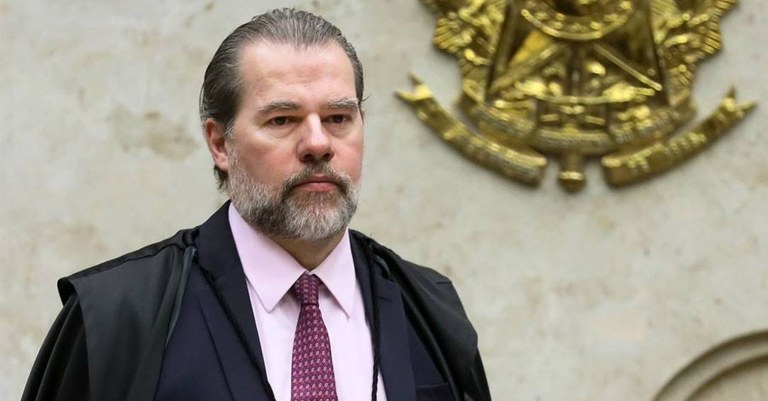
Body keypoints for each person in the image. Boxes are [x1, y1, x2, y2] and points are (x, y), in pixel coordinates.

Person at [22, 8, 491, 401]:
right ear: (219, 143)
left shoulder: (428, 308)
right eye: (283, 119)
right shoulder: (116, 317)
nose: (318, 144)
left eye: (338, 118)